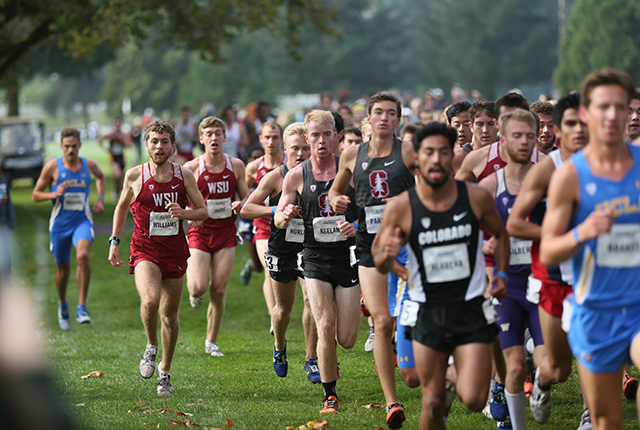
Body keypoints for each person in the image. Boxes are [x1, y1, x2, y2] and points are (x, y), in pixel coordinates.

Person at [372, 122, 508, 430]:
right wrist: (388, 256)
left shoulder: (475, 197)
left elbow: (501, 235)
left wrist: (500, 274)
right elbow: (379, 257)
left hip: (469, 307)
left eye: (443, 153)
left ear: (452, 158)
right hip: (427, 311)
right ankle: (441, 384)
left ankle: (448, 377)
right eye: (428, 152)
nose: (436, 160)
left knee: (474, 398)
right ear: (416, 158)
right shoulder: (401, 207)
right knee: (431, 403)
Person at [540, 69, 640, 430]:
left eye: (620, 107)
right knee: (606, 420)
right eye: (603, 107)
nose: (612, 116)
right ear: (586, 113)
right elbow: (549, 251)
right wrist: (581, 232)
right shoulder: (571, 175)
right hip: (596, 311)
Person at [329, 91, 415, 429]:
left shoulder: (407, 152)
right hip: (368, 244)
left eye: (390, 113)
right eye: (377, 112)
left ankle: (419, 359)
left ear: (397, 119)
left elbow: (435, 187)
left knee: (412, 316)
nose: (383, 118)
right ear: (368, 118)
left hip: (408, 242)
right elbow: (337, 191)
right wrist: (337, 200)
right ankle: (391, 402)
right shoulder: (352, 154)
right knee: (382, 321)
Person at [506, 92, 592, 427]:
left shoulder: (608, 167)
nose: (579, 130)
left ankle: (589, 416)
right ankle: (542, 380)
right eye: (571, 124)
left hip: (594, 277)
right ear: (557, 129)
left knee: (591, 353)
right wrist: (561, 235)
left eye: (584, 123)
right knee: (559, 367)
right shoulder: (545, 170)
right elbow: (514, 222)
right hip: (553, 279)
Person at [108, 120, 208, 396]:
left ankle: (165, 371)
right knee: (150, 301)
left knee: (169, 315)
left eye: (165, 141)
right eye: (154, 141)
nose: (159, 146)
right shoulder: (134, 175)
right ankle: (151, 346)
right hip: (144, 249)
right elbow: (120, 208)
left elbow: (203, 211)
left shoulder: (183, 176)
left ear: (173, 146)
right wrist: (114, 241)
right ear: (147, 144)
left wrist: (184, 213)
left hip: (174, 252)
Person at [275, 110, 360, 415]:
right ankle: (330, 395)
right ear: (307, 138)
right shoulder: (297, 175)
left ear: (337, 135)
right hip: (314, 258)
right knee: (324, 325)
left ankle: (331, 360)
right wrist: (283, 216)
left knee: (346, 339)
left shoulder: (350, 170)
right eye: (315, 135)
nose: (321, 141)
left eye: (327, 134)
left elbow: (369, 210)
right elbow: (278, 215)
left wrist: (356, 227)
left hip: (347, 259)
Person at [478, 109, 544, 430]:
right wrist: (483, 248)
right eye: (516, 135)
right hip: (507, 285)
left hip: (543, 282)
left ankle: (539, 367)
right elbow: (467, 231)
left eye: (529, 136)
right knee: (515, 369)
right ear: (502, 140)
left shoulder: (548, 178)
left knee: (555, 368)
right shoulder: (490, 185)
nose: (524, 142)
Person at [241, 122, 319, 382]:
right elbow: (246, 209)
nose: (300, 154)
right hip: (282, 247)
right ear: (285, 149)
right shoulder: (276, 176)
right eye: (295, 148)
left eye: (305, 149)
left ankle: (311, 359)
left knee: (311, 302)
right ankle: (280, 347)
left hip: (311, 246)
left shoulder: (321, 174)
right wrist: (275, 210)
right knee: (284, 309)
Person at [183, 116, 249, 357]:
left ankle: (211, 341)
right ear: (201, 138)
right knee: (199, 287)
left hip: (226, 234)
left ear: (224, 137)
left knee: (219, 290)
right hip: (200, 234)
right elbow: (180, 199)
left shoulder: (236, 166)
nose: (213, 137)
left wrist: (241, 203)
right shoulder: (191, 167)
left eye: (217, 133)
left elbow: (246, 195)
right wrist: (189, 214)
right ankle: (194, 293)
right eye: (208, 133)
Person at [32, 128, 105, 331]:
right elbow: (35, 194)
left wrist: (100, 198)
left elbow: (101, 177)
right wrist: (53, 193)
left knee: (83, 255)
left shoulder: (89, 164)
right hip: (60, 226)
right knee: (63, 273)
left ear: (80, 145)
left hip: (82, 221)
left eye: (74, 146)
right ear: (61, 146)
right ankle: (63, 304)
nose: (71, 150)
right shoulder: (52, 168)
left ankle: (81, 307)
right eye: (67, 146)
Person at [244, 121, 286, 332]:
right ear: (260, 139)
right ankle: (274, 316)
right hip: (263, 227)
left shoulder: (291, 163)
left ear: (281, 139)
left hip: (289, 227)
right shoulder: (253, 167)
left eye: (275, 137)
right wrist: (240, 202)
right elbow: (244, 194)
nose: (271, 141)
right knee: (270, 270)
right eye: (267, 137)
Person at [455, 93, 536, 183]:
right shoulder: (475, 159)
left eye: (518, 118)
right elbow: (452, 193)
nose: (512, 123)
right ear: (497, 122)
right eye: (506, 119)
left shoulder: (543, 162)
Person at [451, 100, 498, 174]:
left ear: (498, 125)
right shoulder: (458, 158)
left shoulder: (507, 156)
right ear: (471, 127)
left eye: (490, 124)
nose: (485, 130)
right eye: (480, 124)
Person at [99, 118, 132, 198]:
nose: (117, 125)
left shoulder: (123, 135)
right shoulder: (111, 135)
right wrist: (106, 148)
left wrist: (122, 142)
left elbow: (128, 145)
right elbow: (100, 140)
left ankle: (117, 192)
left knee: (120, 179)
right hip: (113, 158)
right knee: (118, 175)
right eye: (116, 123)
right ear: (113, 124)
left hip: (121, 158)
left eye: (119, 123)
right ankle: (116, 192)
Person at [0, 168, 15, 284]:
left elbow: (7, 202)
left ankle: (7, 281)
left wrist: (11, 220)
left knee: (6, 255)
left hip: (3, 222)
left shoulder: (3, 182)